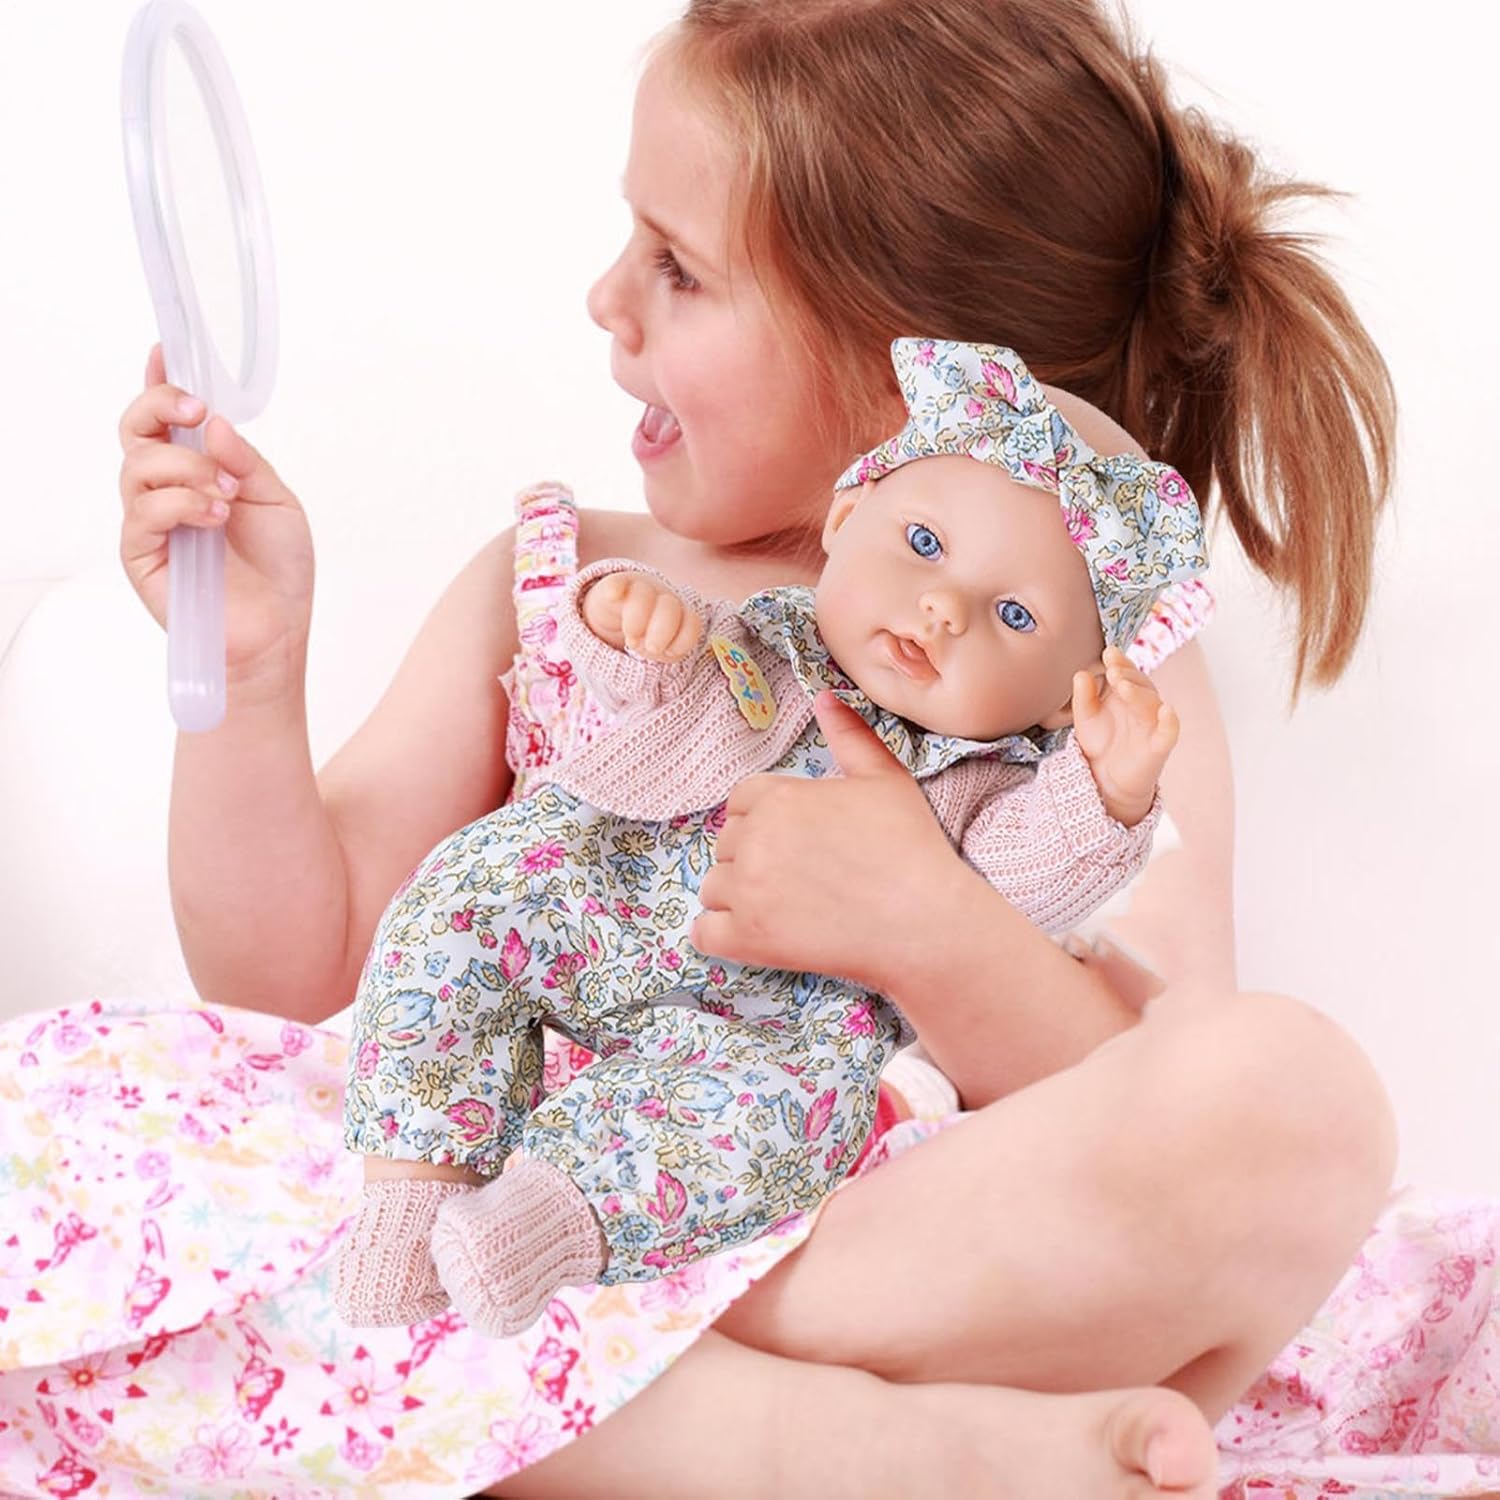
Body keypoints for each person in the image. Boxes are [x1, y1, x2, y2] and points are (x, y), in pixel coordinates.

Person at [0, 0, 1405, 1496]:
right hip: (506, 1214)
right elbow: (291, 974)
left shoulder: (1098, 688)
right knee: (93, 1150)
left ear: (906, 378)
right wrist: (248, 670)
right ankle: (880, 1453)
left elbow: (1144, 1090)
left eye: (678, 268)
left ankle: (668, 1413)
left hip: (872, 1246)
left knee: (1297, 1103)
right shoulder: (565, 586)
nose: (607, 299)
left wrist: (924, 926)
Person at [336, 338, 1207, 1338]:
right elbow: (663, 687)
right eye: (925, 543)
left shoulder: (995, 786)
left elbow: (1026, 880)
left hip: (780, 1023)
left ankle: (542, 1222)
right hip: (600, 900)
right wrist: (632, 623)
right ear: (845, 517)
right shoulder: (766, 640)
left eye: (1013, 614)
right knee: (459, 905)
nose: (942, 608)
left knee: (796, 1116)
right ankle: (414, 1198)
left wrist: (1106, 788)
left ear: (1062, 701)